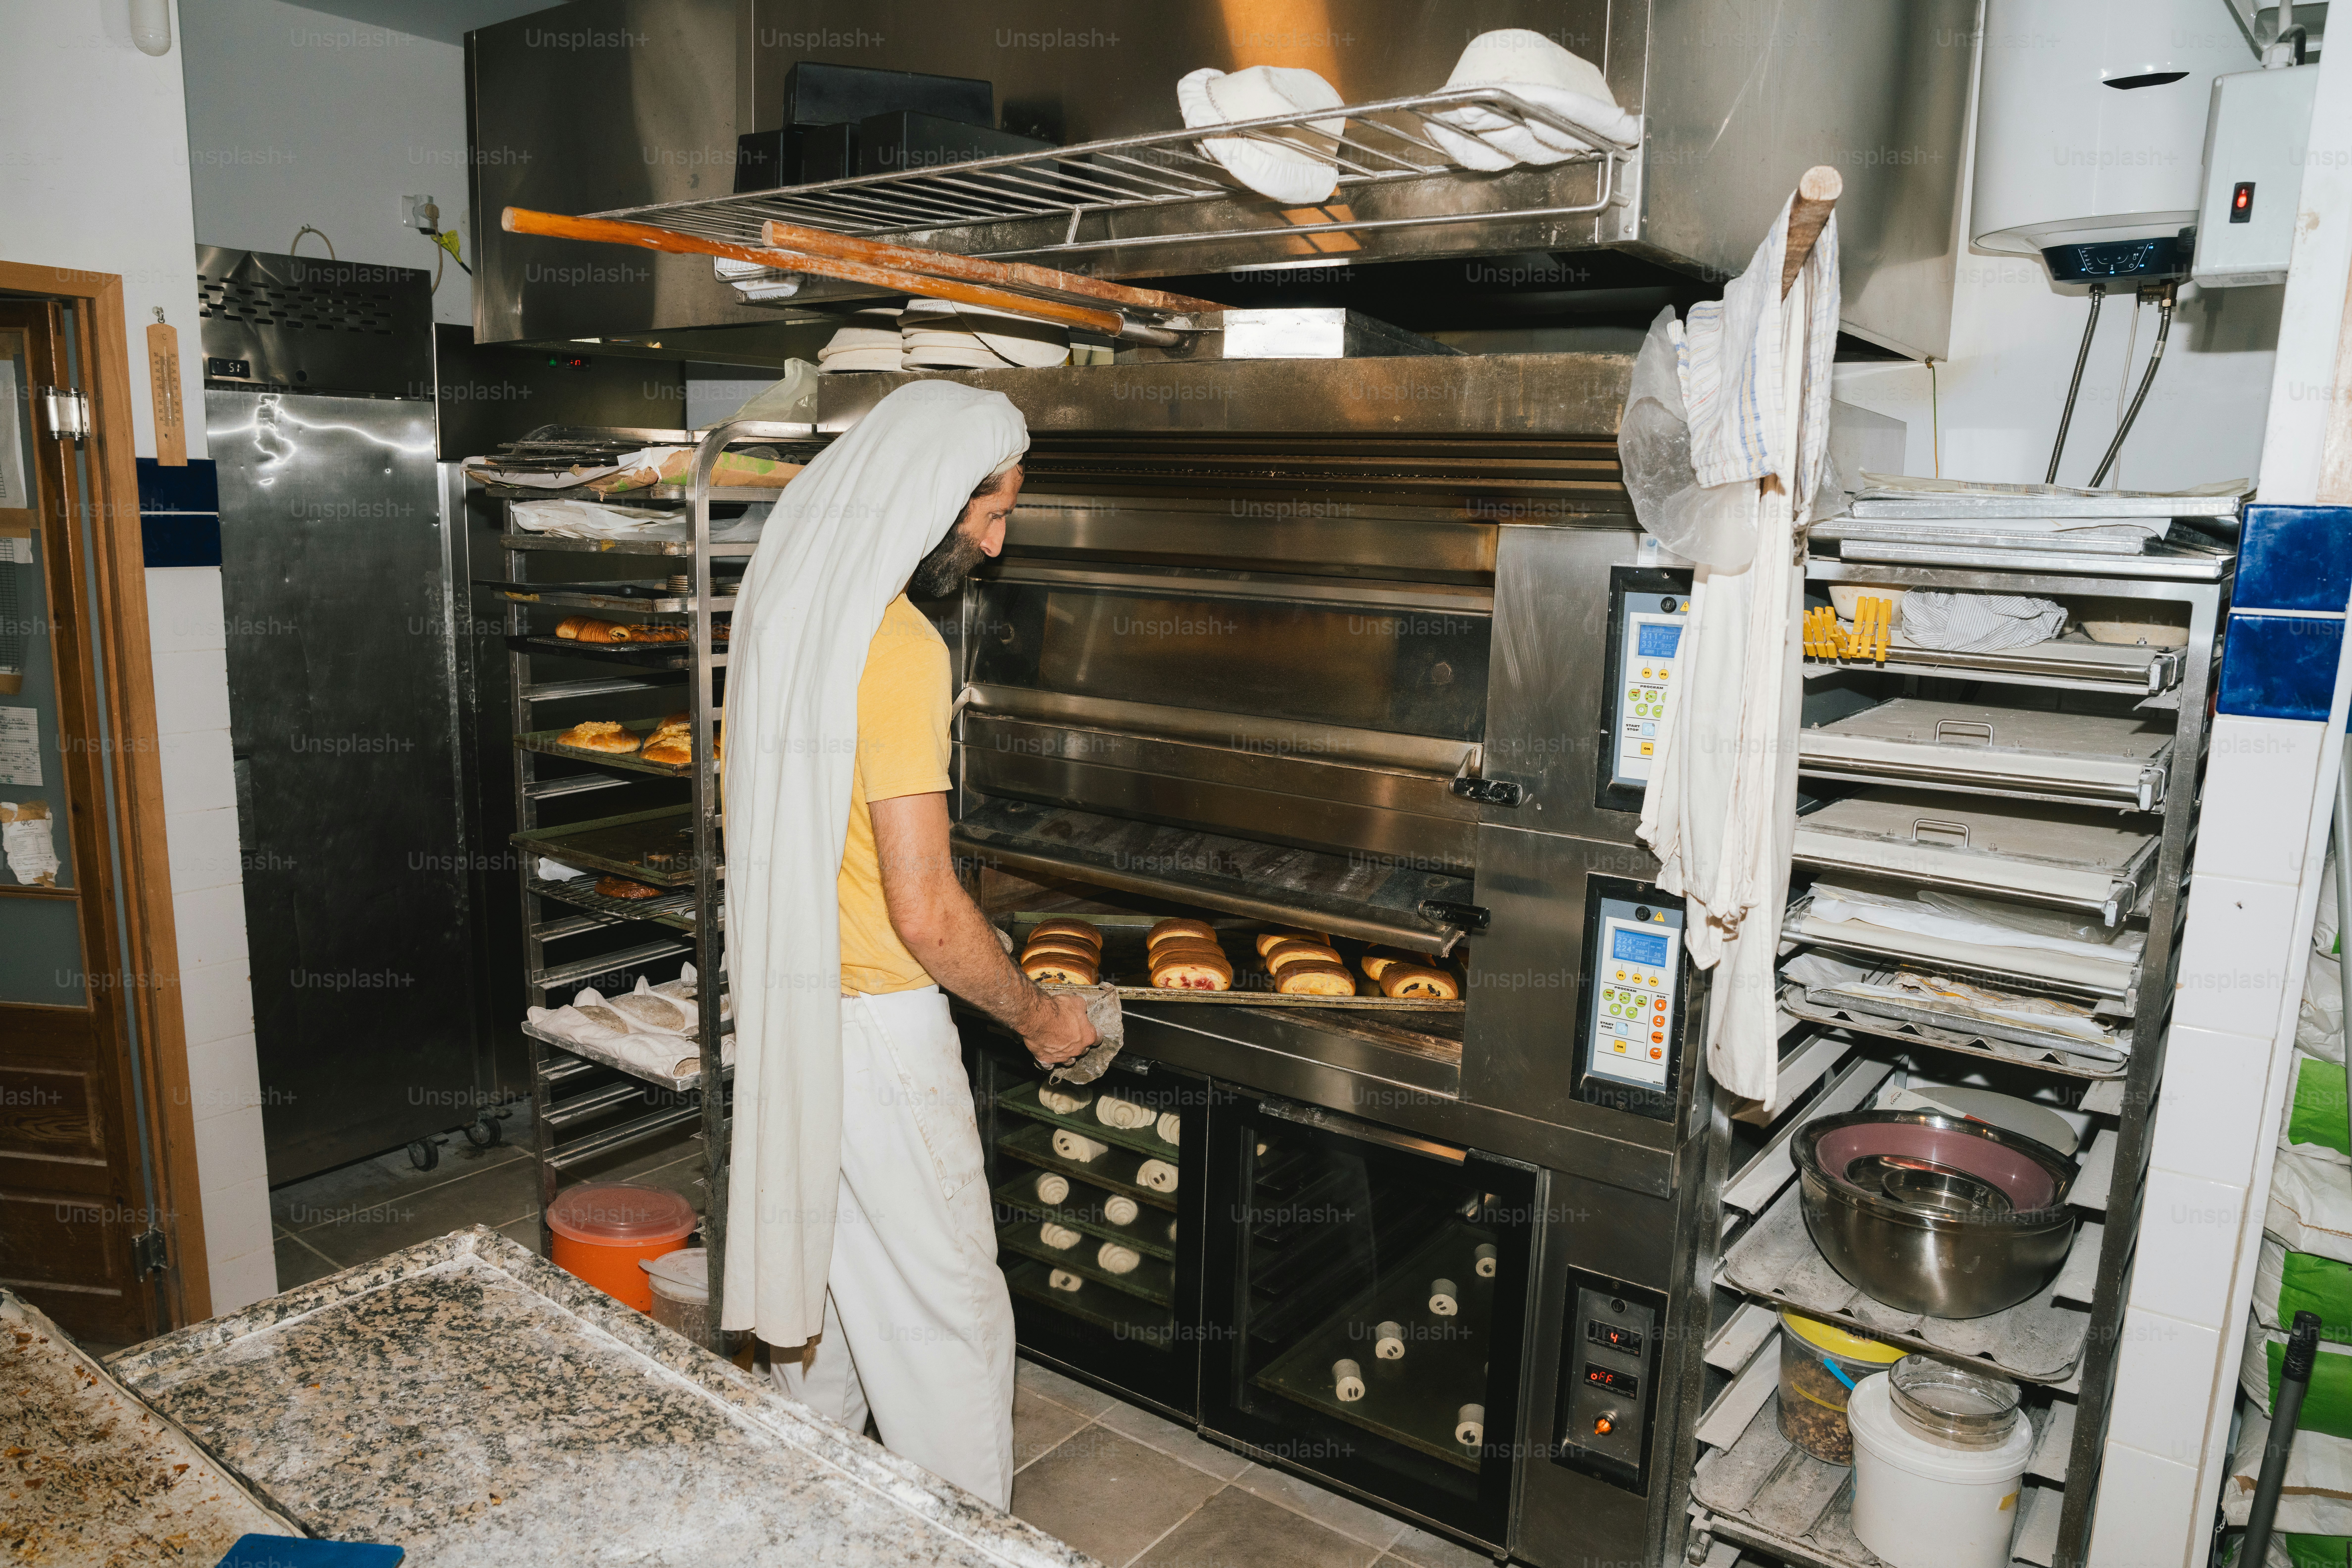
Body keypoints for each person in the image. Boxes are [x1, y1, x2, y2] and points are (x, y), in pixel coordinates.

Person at [721, 381, 1097, 1510]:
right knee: (952, 1319)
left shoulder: (786, 597)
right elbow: (926, 910)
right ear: (933, 502)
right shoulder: (898, 646)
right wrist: (1042, 1015)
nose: (995, 542)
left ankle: (809, 1527)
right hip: (877, 1025)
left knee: (825, 1312)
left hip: (788, 1010)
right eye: (990, 515)